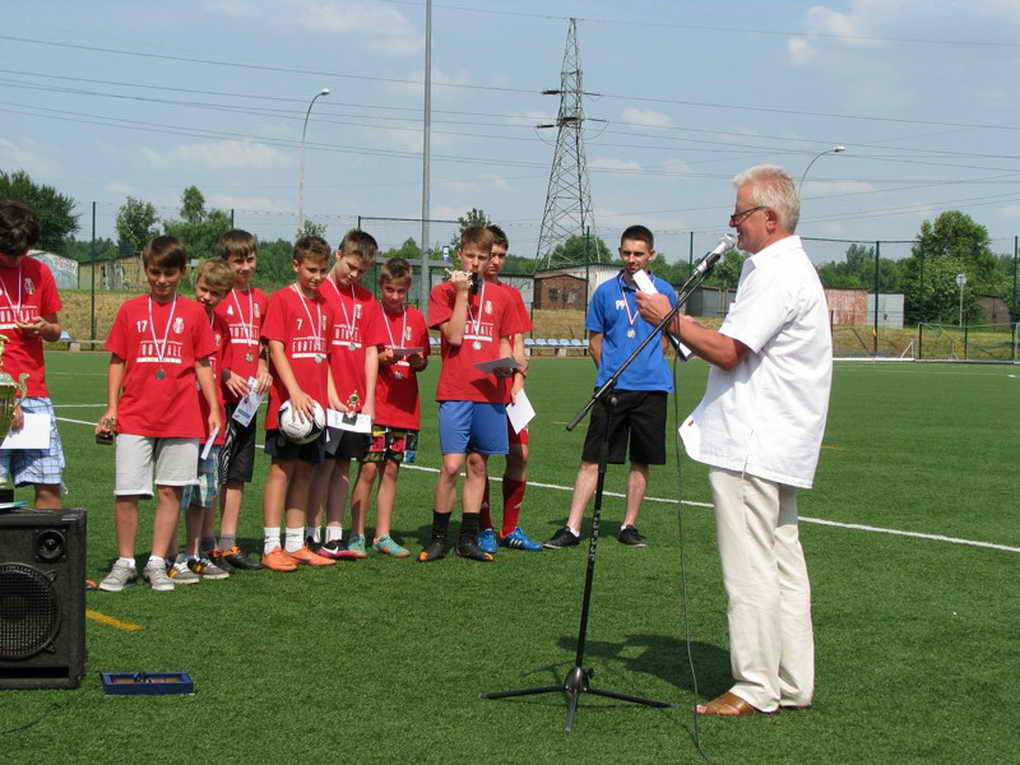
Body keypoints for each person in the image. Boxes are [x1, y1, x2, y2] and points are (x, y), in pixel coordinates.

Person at [636, 165, 832, 716]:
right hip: (777, 440)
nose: (733, 222)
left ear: (769, 218)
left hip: (753, 440)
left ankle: (754, 686)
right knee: (782, 564)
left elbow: (728, 351)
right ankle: (791, 682)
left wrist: (669, 318)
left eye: (740, 213)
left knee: (749, 568)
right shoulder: (788, 267)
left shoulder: (774, 271)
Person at [96, 236, 222, 592]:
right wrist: (112, 406)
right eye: (155, 272)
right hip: (135, 414)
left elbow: (202, 364)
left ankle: (156, 562)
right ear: (146, 271)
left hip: (181, 415)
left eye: (169, 273)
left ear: (182, 272)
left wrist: (213, 408)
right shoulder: (130, 310)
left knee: (171, 492)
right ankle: (124, 562)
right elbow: (117, 360)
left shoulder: (194, 312)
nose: (161, 280)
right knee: (127, 491)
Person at [544, 225, 676, 550]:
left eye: (639, 253)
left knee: (641, 460)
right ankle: (572, 527)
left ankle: (629, 525)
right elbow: (595, 341)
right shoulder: (605, 292)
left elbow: (666, 340)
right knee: (591, 458)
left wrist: (646, 365)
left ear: (651, 255)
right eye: (626, 252)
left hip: (652, 388)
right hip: (611, 389)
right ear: (619, 253)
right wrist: (609, 373)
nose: (632, 259)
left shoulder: (665, 292)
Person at [420, 225, 522, 562]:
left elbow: (505, 340)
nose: (476, 262)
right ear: (459, 255)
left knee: (478, 465)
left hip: (490, 392)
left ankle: (468, 539)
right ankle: (438, 538)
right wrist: (462, 293)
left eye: (482, 256)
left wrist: (507, 367)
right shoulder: (443, 292)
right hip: (456, 389)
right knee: (451, 465)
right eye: (470, 256)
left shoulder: (503, 296)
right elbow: (454, 337)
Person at [259, 235, 338, 572]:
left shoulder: (326, 304)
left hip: (315, 410)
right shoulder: (281, 299)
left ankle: (295, 543)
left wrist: (331, 399)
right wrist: (293, 391)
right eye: (310, 270)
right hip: (289, 407)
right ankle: (270, 545)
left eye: (322, 270)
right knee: (281, 470)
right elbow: (275, 348)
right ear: (296, 265)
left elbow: (326, 357)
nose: (317, 277)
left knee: (306, 471)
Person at [309, 229, 386, 559]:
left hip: (354, 401)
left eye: (362, 271)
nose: (355, 275)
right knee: (321, 466)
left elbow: (370, 351)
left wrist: (369, 399)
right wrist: (330, 393)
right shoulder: (318, 292)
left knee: (343, 466)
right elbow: (320, 349)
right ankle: (311, 534)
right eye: (351, 267)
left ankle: (334, 534)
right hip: (325, 396)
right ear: (338, 255)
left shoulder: (367, 300)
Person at [348, 257, 429, 557]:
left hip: (405, 409)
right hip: (377, 406)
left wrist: (418, 361)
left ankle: (382, 535)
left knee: (392, 470)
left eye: (400, 291)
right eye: (389, 290)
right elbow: (362, 357)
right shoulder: (371, 313)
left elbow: (423, 360)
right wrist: (384, 358)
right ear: (381, 286)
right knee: (369, 468)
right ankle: (356, 534)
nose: (394, 296)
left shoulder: (416, 318)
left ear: (408, 289)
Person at [168, 259, 236, 584]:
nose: (207, 297)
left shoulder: (222, 326)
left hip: (210, 424)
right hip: (181, 419)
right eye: (204, 289)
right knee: (174, 493)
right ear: (195, 282)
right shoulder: (179, 316)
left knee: (203, 493)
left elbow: (220, 370)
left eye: (216, 293)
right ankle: (169, 555)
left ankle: (194, 554)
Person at [476, 224, 541, 553]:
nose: (496, 261)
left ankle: (510, 528)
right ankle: (484, 528)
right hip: (479, 390)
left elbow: (519, 345)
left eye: (501, 255)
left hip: (509, 391)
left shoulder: (512, 296)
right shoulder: (469, 293)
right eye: (491, 254)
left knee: (520, 454)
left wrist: (518, 382)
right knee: (480, 459)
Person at [210, 229, 272, 571]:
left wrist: (262, 367)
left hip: (248, 402)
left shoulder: (261, 299)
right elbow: (203, 347)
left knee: (237, 473)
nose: (245, 267)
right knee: (212, 474)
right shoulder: (216, 297)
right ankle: (205, 546)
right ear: (225, 263)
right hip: (218, 400)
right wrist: (224, 374)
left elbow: (262, 345)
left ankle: (228, 543)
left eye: (250, 259)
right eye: (238, 261)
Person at [0, 199, 66, 509]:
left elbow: (55, 330)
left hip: (34, 394)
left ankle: (46, 544)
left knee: (49, 485)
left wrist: (43, 328)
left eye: (23, 251)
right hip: (1, 393)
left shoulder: (39, 271)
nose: (16, 259)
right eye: (9, 252)